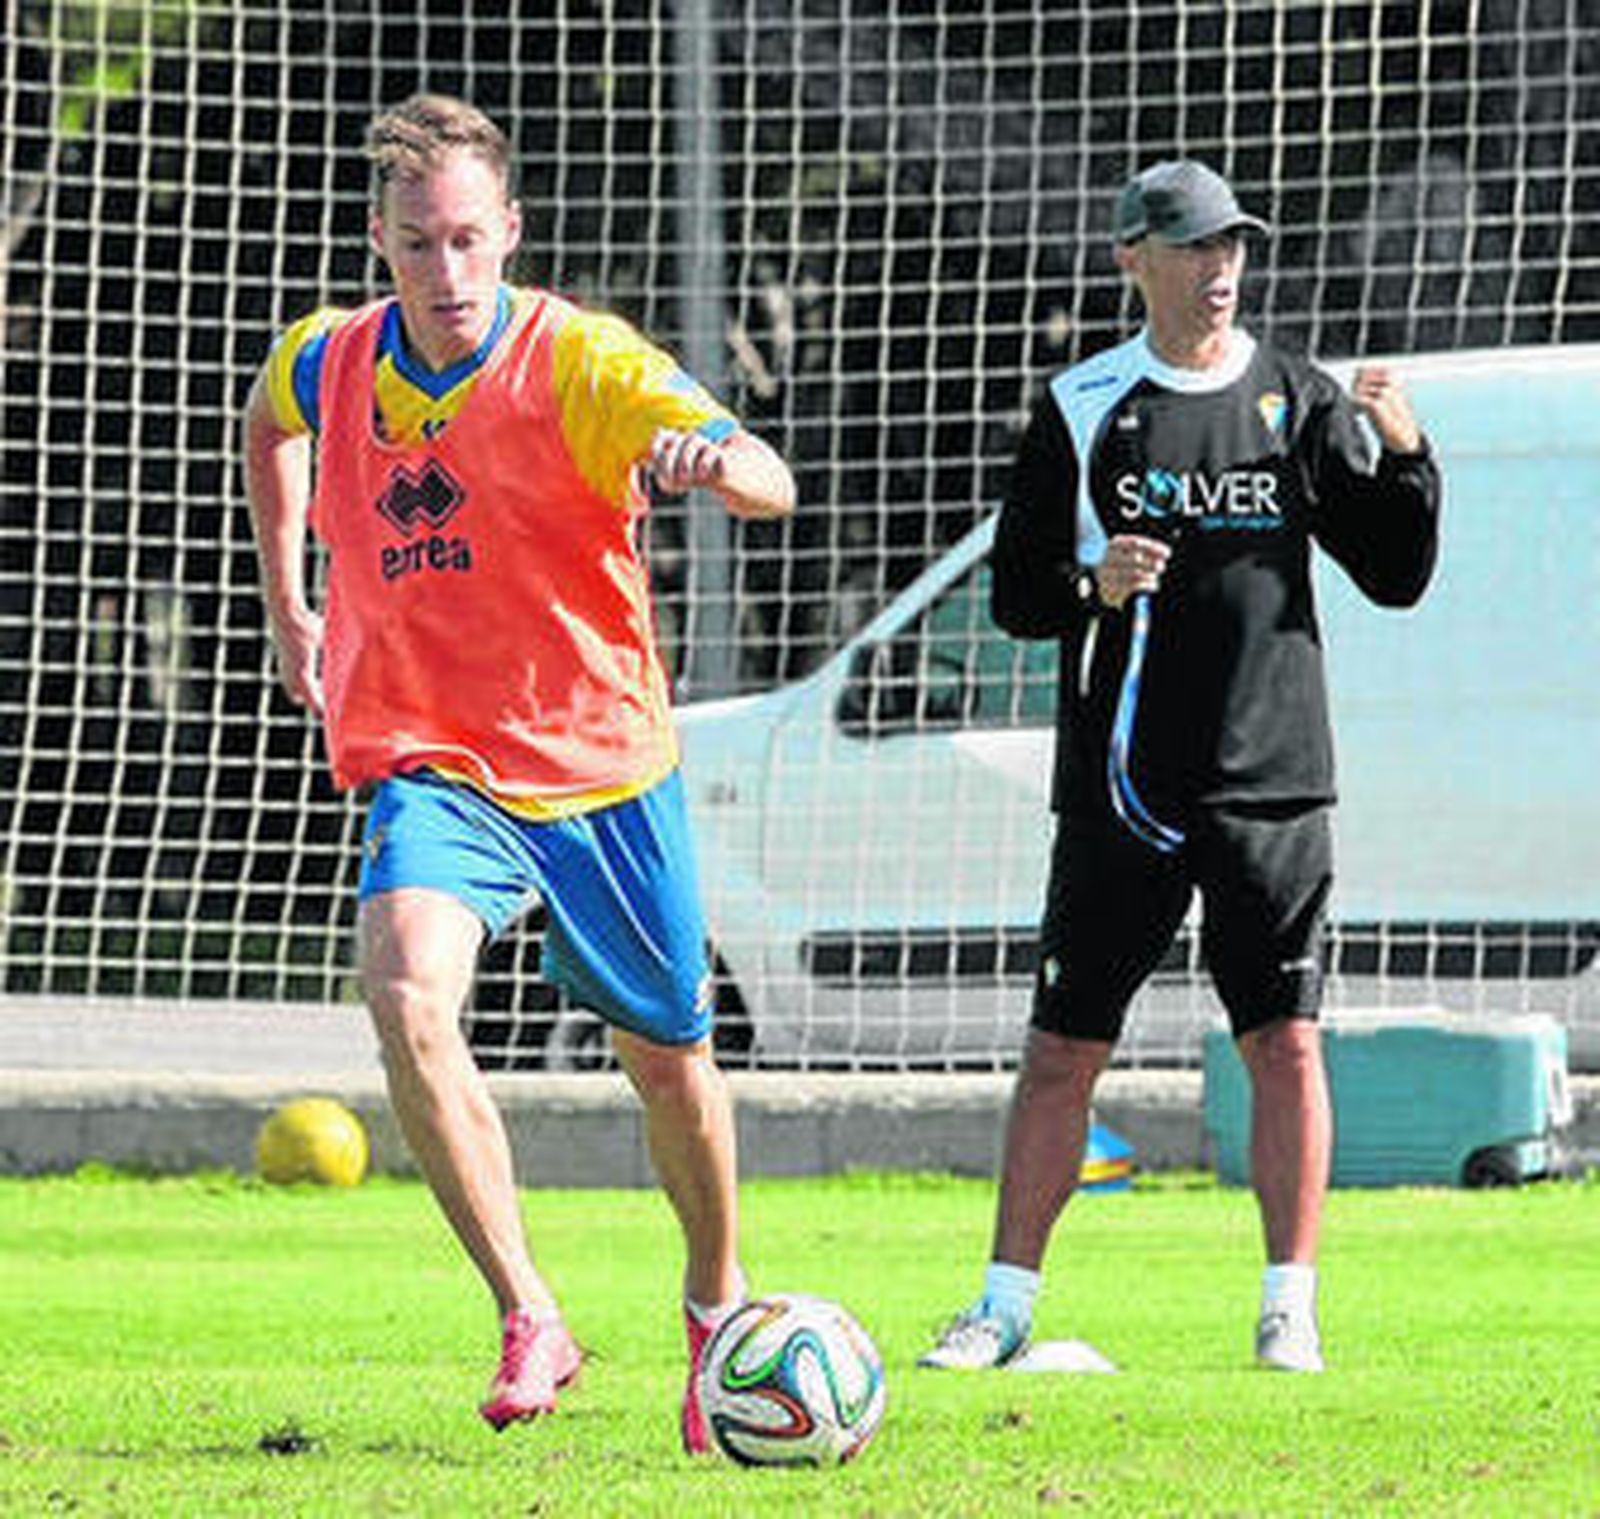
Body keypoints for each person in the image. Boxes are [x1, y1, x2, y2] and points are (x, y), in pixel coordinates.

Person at [241, 93, 795, 1447]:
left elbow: (770, 475)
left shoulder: (582, 364)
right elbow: (268, 423)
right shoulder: (331, 356)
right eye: (419, 244)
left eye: (469, 241)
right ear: (381, 242)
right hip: (436, 757)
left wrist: (711, 459)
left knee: (668, 1060)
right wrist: (287, 600)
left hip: (600, 755)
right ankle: (528, 1305)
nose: (445, 273)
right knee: (404, 983)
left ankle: (716, 1306)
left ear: (511, 235)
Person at [919, 159, 1441, 1375]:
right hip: (1122, 787)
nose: (1219, 271)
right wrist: (1086, 586)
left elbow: (1395, 571)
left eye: (1233, 248)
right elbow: (1012, 596)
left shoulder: (1296, 398)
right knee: (1062, 1048)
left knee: (1285, 1041)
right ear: (1133, 260)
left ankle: (1287, 1307)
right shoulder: (1082, 406)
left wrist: (1408, 456)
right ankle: (1000, 1304)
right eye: (1195, 248)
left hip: (1272, 782)